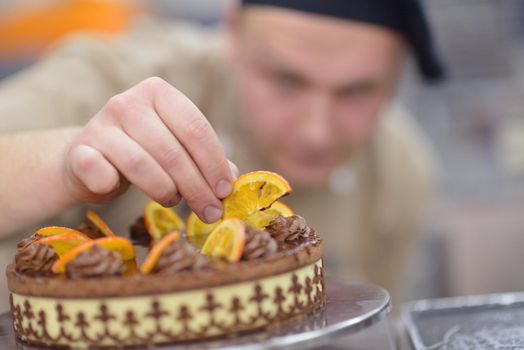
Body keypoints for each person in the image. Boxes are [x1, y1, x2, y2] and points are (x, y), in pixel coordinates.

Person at [0, 0, 442, 311]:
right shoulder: (116, 76)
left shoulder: (400, 170)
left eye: (357, 91)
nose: (317, 130)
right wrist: (62, 165)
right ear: (231, 32)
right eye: (286, 80)